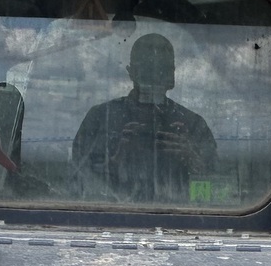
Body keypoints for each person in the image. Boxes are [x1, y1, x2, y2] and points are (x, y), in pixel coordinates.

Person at [71, 32, 217, 202]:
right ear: (131, 72)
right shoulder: (100, 119)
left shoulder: (193, 125)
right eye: (148, 68)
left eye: (162, 68)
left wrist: (191, 158)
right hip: (113, 216)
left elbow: (219, 188)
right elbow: (79, 185)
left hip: (179, 220)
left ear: (172, 74)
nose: (155, 75)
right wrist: (117, 159)